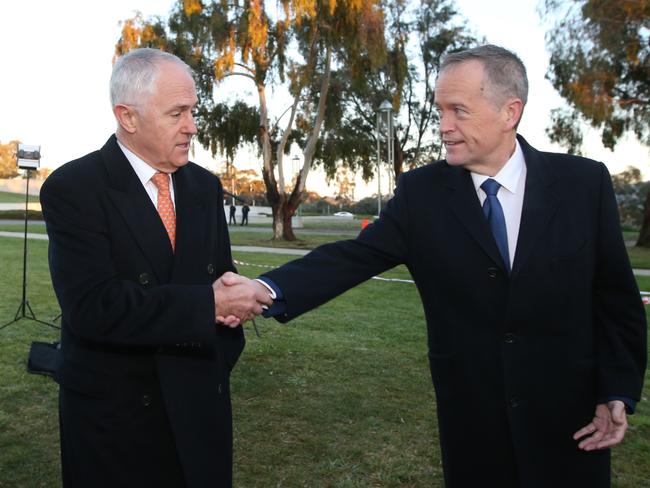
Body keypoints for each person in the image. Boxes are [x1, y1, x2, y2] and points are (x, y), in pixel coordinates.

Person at [220, 45, 647, 487]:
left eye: (458, 111)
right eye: (440, 110)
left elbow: (616, 299)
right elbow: (353, 257)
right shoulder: (422, 193)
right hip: (474, 427)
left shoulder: (583, 184)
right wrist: (265, 288)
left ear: (509, 112)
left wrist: (617, 390)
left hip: (571, 425)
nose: (444, 127)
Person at [40, 48, 270, 488]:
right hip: (118, 424)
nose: (192, 126)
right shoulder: (74, 188)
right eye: (177, 113)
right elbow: (93, 307)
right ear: (128, 117)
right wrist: (208, 304)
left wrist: (219, 352)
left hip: (200, 409)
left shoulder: (205, 186)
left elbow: (219, 277)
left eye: (192, 111)